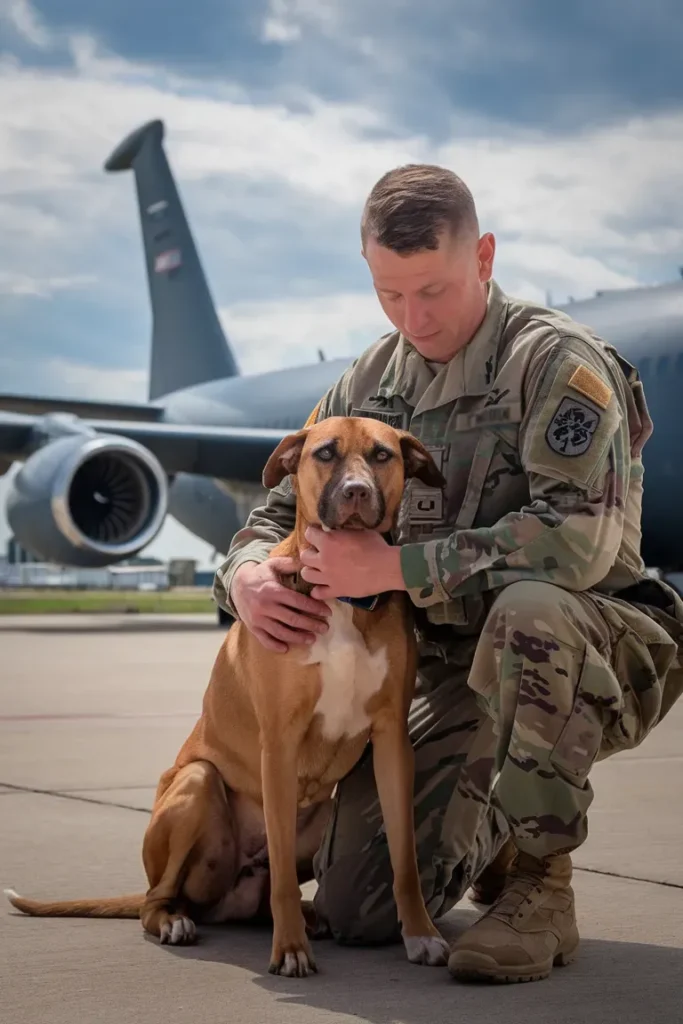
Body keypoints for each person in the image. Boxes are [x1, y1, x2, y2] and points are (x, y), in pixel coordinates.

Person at [212, 164, 683, 984]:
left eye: (431, 290)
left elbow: (580, 543)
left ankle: (542, 889)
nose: (412, 318)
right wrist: (247, 575)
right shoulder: (369, 382)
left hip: (584, 643)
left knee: (529, 607)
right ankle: (490, 827)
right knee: (358, 911)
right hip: (447, 668)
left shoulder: (555, 364)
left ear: (484, 257)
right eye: (389, 294)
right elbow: (271, 518)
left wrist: (397, 563)